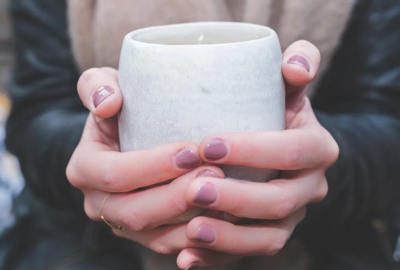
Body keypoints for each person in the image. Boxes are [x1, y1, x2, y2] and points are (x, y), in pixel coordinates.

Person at [0, 0, 400, 269]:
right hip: (84, 244)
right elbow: (37, 115)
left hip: (327, 244)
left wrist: (313, 164)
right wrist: (104, 152)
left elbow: (386, 125)